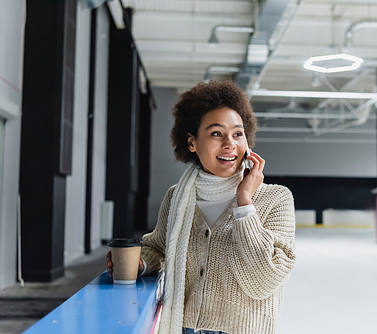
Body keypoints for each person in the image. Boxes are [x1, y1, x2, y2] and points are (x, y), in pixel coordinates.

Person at [107, 80, 296, 334]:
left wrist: (244, 204)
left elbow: (263, 280)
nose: (230, 143)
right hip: (184, 328)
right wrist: (140, 264)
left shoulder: (276, 199)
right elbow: (159, 247)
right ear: (192, 142)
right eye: (216, 133)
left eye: (238, 133)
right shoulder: (178, 196)